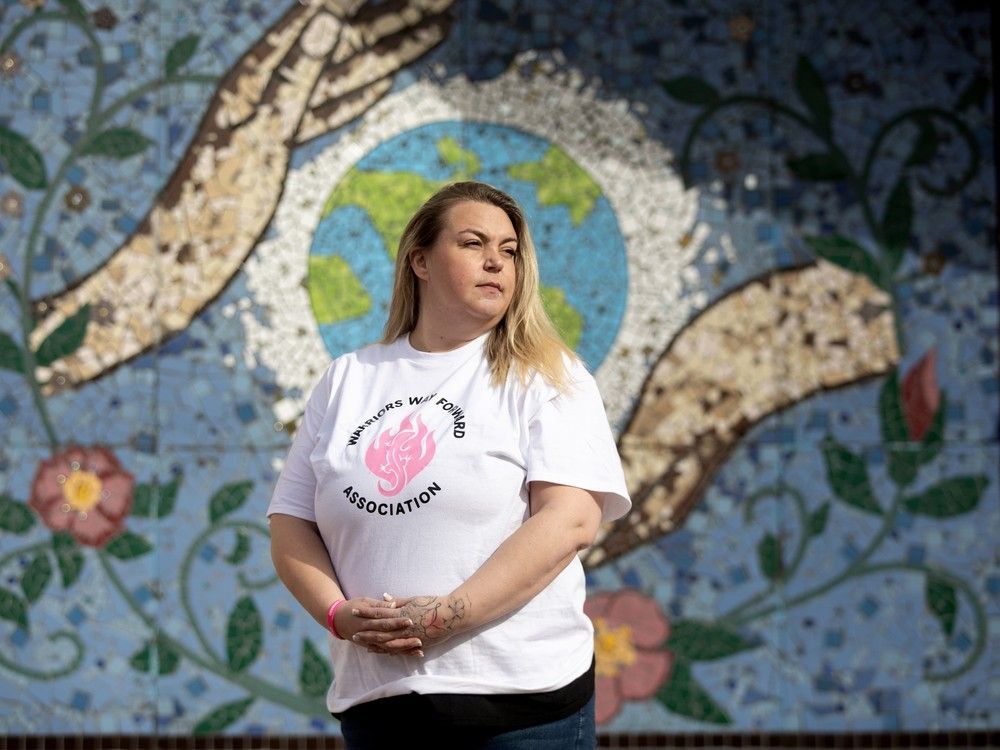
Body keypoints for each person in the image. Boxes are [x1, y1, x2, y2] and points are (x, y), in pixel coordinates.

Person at [267, 181, 630, 748]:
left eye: (509, 251)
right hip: (382, 712)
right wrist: (336, 614)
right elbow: (290, 521)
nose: (496, 262)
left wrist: (445, 617)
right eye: (472, 243)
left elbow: (571, 520)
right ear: (420, 261)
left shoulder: (547, 374)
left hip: (522, 713)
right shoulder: (348, 379)